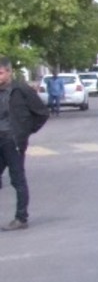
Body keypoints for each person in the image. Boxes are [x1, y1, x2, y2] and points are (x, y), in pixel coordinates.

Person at [0, 57, 52, 231]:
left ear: (9, 72)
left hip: (13, 141)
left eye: (0, 73)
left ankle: (21, 218)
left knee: (17, 179)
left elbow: (42, 113)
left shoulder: (21, 89)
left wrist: (25, 132)